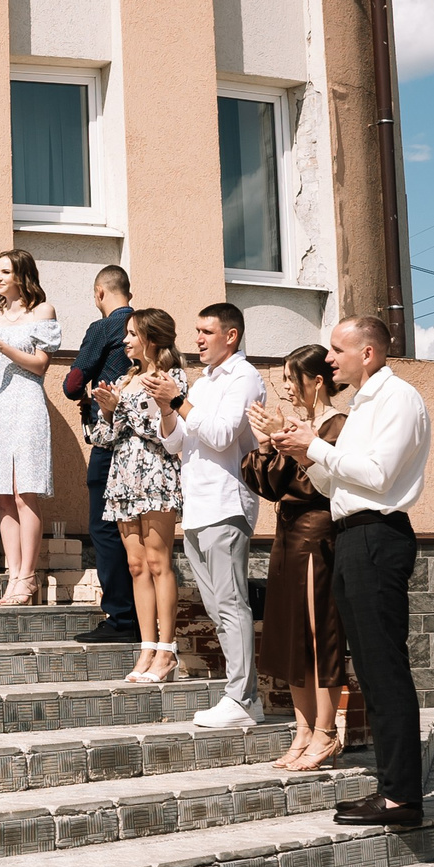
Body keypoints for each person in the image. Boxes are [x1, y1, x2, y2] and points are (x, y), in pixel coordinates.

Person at [271, 316, 432, 828]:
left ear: (368, 353)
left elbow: (379, 476)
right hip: (352, 535)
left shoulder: (398, 399)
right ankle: (391, 790)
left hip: (378, 537)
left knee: (385, 671)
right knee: (371, 669)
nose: (329, 358)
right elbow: (336, 483)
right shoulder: (364, 403)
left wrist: (317, 447)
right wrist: (304, 451)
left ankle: (402, 798)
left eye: (338, 350)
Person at [143, 302, 269, 731]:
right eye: (196, 331)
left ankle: (243, 698)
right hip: (197, 506)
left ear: (230, 336)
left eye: (206, 331)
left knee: (232, 604)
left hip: (226, 503)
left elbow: (219, 434)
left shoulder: (245, 376)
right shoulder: (204, 379)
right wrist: (165, 407)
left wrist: (178, 400)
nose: (197, 339)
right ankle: (240, 697)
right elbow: (176, 442)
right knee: (218, 607)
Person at [243, 344, 349, 771]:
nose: (285, 388)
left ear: (316, 381)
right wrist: (269, 441)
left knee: (318, 633)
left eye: (291, 378)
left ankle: (327, 731)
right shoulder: (298, 424)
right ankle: (303, 729)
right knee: (291, 636)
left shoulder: (335, 424)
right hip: (287, 535)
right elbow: (263, 481)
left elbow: (314, 485)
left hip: (318, 535)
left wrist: (286, 441)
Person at [87, 308, 184, 680]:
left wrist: (121, 409)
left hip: (156, 475)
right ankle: (146, 649)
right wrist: (107, 413)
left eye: (131, 334)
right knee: (136, 566)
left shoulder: (171, 379)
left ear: (151, 338)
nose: (125, 340)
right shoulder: (127, 378)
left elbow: (165, 433)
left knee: (160, 563)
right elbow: (103, 439)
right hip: (123, 478)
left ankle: (167, 650)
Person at [0, 251, 59, 607]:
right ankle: (13, 576)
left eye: (5, 271)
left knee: (25, 491)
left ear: (22, 275)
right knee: (4, 496)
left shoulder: (42, 312)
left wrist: (0, 344)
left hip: (27, 402)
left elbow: (39, 366)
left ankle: (29, 576)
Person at [62, 266, 140, 642]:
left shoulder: (104, 327)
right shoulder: (142, 328)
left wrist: (80, 394)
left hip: (109, 441)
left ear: (100, 293)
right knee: (133, 532)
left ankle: (120, 618)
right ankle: (141, 616)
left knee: (105, 528)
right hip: (142, 446)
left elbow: (72, 382)